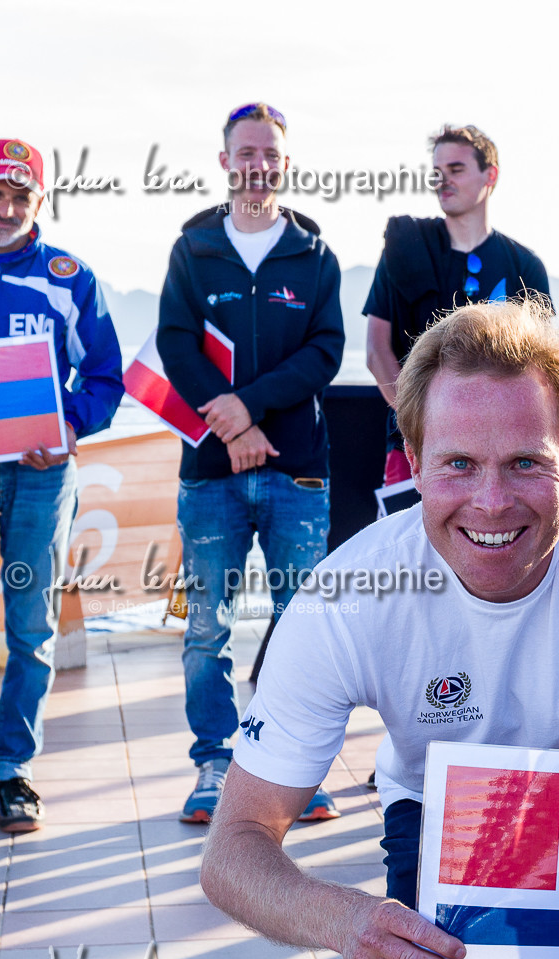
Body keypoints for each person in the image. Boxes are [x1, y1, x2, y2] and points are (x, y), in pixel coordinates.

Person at [199, 301, 559, 959]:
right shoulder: (346, 598)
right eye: (458, 464)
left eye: (525, 463)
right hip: (442, 808)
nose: (492, 501)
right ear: (413, 462)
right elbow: (234, 846)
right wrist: (345, 919)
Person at [0, 138, 123, 836]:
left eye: (21, 195)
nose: (6, 208)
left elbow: (105, 378)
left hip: (42, 475)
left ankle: (15, 772)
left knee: (31, 626)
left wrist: (68, 426)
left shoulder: (71, 279)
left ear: (39, 202)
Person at [158, 103, 344, 825]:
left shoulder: (316, 255)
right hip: (211, 474)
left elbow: (324, 351)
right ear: (226, 161)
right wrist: (227, 420)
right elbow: (175, 345)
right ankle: (213, 761)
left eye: (270, 153)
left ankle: (295, 767)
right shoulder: (194, 249)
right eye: (246, 152)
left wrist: (248, 408)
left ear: (284, 165)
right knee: (208, 623)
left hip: (297, 469)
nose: (257, 164)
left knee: (304, 623)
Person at [365, 124, 551, 490]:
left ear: (490, 175)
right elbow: (375, 350)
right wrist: (425, 422)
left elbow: (541, 366)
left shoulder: (524, 266)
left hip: (502, 454)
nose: (443, 181)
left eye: (456, 170)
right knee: (408, 548)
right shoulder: (404, 248)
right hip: (415, 449)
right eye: (437, 172)